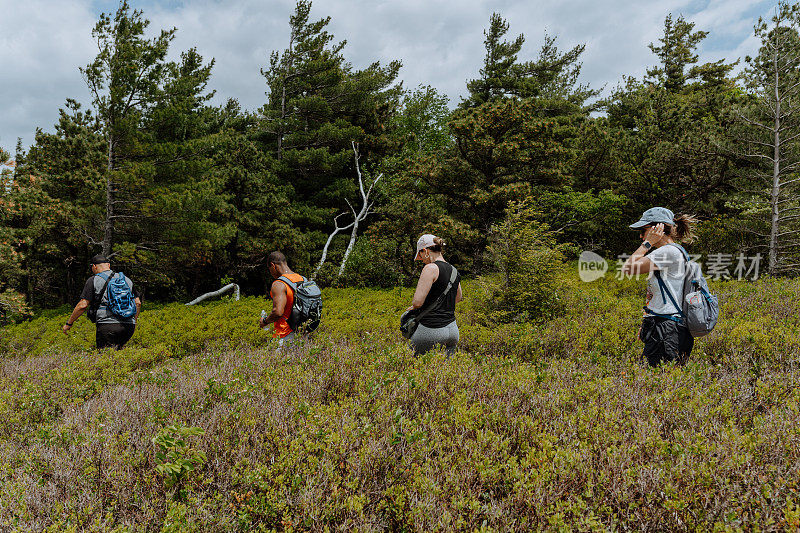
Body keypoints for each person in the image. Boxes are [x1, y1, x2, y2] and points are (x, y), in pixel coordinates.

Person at [621, 207, 698, 367]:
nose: (641, 236)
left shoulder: (668, 252)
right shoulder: (672, 251)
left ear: (659, 228)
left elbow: (628, 268)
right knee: (661, 381)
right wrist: (647, 323)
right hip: (666, 325)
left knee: (657, 381)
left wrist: (648, 243)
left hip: (667, 327)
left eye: (644, 230)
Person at [62, 254, 141, 350]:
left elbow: (83, 305)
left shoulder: (94, 280)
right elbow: (137, 303)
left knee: (106, 357)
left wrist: (69, 323)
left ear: (94, 266)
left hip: (107, 325)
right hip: (128, 326)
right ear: (108, 265)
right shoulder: (126, 280)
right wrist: (133, 321)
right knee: (120, 356)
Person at [407, 234, 463, 356]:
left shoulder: (430, 268)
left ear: (426, 251)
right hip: (452, 330)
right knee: (446, 371)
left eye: (420, 254)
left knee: (411, 364)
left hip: (431, 329)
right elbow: (458, 298)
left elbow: (417, 302)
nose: (421, 259)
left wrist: (414, 308)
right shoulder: (454, 270)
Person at [258, 251, 308, 349]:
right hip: (303, 333)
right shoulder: (303, 279)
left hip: (284, 335)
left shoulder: (279, 284)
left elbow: (278, 312)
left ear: (273, 265)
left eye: (270, 269)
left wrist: (265, 321)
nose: (271, 273)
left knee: (276, 364)